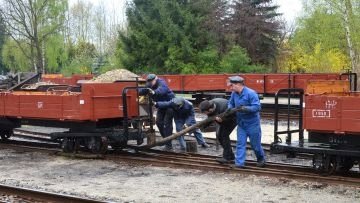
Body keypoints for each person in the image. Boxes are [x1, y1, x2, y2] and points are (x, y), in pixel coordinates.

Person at [227, 76, 265, 168]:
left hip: (253, 124)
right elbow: (230, 103)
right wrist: (230, 108)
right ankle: (239, 164)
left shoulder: (251, 93)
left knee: (255, 145)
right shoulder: (234, 94)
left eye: (232, 86)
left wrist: (245, 109)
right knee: (240, 144)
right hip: (241, 124)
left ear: (238, 84)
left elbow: (257, 107)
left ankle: (261, 159)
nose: (231, 88)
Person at [140, 74, 175, 150]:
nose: (150, 83)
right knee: (159, 122)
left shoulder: (161, 82)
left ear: (156, 79)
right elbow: (143, 91)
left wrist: (154, 92)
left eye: (151, 81)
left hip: (170, 105)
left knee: (167, 124)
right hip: (161, 106)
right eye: (149, 81)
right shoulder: (149, 85)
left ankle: (169, 145)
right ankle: (165, 140)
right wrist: (136, 91)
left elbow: (163, 90)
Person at [199, 98, 237, 164]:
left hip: (232, 120)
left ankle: (227, 158)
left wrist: (222, 121)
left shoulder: (224, 108)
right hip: (222, 120)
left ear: (210, 109)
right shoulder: (209, 105)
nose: (205, 114)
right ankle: (230, 155)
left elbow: (230, 119)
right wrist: (201, 126)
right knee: (220, 137)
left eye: (205, 112)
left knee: (224, 136)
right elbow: (210, 118)